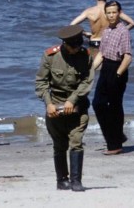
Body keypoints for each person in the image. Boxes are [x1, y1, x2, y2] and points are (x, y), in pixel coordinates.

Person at [35, 25, 95, 192]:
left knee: (76, 142)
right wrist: (48, 104)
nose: (76, 50)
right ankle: (62, 180)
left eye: (78, 46)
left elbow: (86, 82)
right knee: (59, 145)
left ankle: (76, 181)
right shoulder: (50, 56)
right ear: (64, 44)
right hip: (55, 106)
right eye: (73, 47)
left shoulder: (85, 56)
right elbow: (41, 83)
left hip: (78, 107)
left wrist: (73, 100)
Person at [92, 0, 132, 155]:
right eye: (108, 12)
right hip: (106, 68)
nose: (111, 15)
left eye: (114, 12)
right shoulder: (107, 30)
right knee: (97, 103)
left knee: (114, 106)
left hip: (118, 68)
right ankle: (117, 136)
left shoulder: (124, 31)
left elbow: (128, 57)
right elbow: (101, 54)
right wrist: (90, 70)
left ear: (119, 13)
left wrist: (117, 74)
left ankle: (115, 144)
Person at [70, 0, 134, 55]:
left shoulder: (88, 11)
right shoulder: (112, 10)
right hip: (109, 41)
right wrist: (118, 32)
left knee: (95, 64)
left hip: (94, 41)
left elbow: (72, 25)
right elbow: (132, 23)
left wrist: (84, 33)